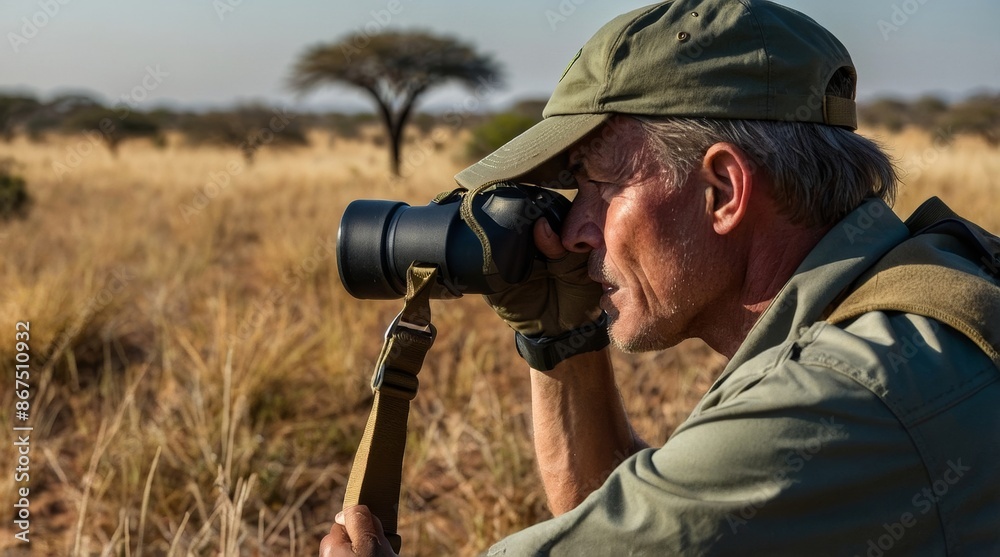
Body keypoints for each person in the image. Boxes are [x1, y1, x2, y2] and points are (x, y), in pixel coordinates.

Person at [321, 0, 1000, 555]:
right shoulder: (934, 276)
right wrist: (562, 336)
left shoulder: (844, 393)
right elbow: (634, 525)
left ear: (724, 190)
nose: (575, 228)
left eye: (600, 186)